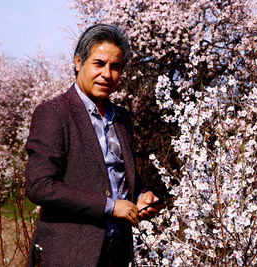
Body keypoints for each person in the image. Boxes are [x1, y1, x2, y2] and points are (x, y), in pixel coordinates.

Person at [25, 24, 162, 267]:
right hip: (68, 254)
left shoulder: (122, 118)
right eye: (99, 63)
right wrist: (109, 207)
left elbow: (120, 175)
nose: (107, 74)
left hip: (117, 251)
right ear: (79, 63)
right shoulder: (54, 114)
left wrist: (140, 197)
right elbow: (39, 186)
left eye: (115, 67)